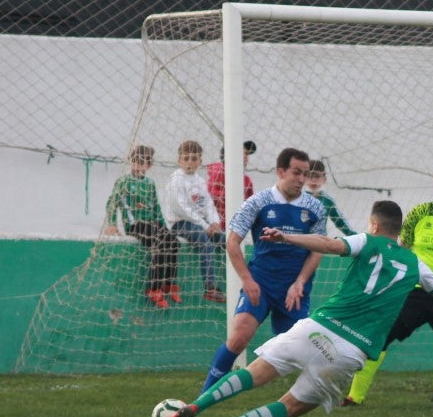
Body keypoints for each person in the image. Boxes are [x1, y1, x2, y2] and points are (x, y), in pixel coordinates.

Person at [154, 200, 433, 417]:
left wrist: (287, 237)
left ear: (374, 225)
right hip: (350, 353)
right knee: (293, 404)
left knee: (255, 372)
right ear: (399, 230)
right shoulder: (417, 265)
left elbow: (328, 244)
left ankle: (195, 406)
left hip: (320, 327)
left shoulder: (366, 241)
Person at [344, 165, 433, 410]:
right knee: (382, 331)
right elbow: (400, 252)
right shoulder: (420, 214)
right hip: (416, 288)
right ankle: (353, 397)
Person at [198, 147, 327, 393]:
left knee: (297, 351)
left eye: (305, 174)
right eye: (296, 173)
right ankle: (204, 396)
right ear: (281, 171)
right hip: (261, 282)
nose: (301, 179)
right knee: (239, 337)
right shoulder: (258, 202)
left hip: (294, 288)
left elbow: (318, 249)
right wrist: (247, 280)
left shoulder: (315, 208)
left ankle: (309, 398)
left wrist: (300, 281)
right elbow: (232, 241)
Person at [104, 144, 182, 308]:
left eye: (142, 162)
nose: (138, 165)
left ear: (149, 165)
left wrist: (164, 228)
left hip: (152, 224)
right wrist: (112, 224)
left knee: (174, 242)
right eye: (135, 161)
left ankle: (169, 284)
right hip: (135, 225)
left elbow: (156, 208)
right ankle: (154, 288)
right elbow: (112, 202)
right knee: (160, 244)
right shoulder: (124, 181)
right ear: (131, 161)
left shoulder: (150, 183)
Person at [164, 139, 227, 302]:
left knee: (227, 240)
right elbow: (181, 208)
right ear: (179, 160)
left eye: (194, 158)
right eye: (186, 158)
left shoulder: (199, 181)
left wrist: (214, 223)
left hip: (201, 222)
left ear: (200, 161)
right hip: (181, 223)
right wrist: (205, 225)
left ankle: (237, 282)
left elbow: (208, 205)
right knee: (205, 242)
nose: (189, 162)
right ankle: (210, 287)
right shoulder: (176, 180)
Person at [206, 140, 258, 226]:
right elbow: (210, 196)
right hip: (215, 227)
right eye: (242, 153)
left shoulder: (247, 181)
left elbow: (251, 206)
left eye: (247, 154)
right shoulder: (218, 173)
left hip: (235, 227)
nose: (246, 157)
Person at [304, 160, 357, 236]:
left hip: (320, 243)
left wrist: (356, 238)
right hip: (299, 243)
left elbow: (339, 221)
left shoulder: (327, 200)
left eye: (317, 176)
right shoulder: (297, 198)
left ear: (324, 179)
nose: (313, 180)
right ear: (303, 178)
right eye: (310, 176)